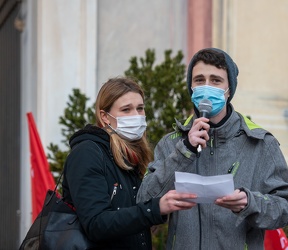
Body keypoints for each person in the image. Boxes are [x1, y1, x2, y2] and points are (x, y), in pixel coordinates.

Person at [137, 48, 288, 249]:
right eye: (199, 80)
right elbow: (143, 203)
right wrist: (184, 151)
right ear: (191, 87)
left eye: (215, 81)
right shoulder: (171, 143)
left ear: (229, 89)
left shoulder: (260, 143)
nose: (207, 87)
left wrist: (249, 203)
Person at [62, 77, 197, 249]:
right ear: (104, 117)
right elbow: (96, 224)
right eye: (126, 110)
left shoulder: (131, 156)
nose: (136, 116)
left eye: (140, 109)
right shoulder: (87, 154)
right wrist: (155, 209)